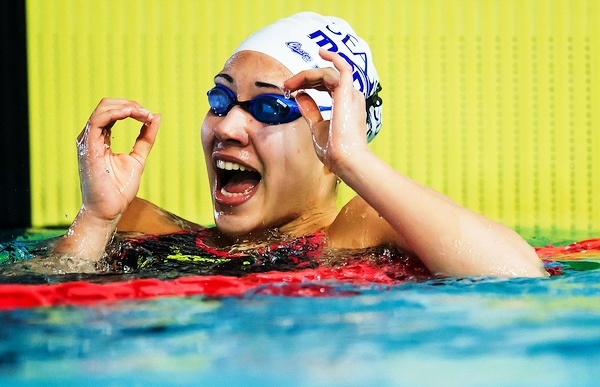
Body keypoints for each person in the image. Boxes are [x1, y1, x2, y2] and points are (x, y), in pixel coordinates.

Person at [53, 12, 548, 278]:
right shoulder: (138, 226)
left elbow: (516, 274)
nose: (226, 126)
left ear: (330, 142)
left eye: (268, 108)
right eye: (220, 98)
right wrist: (95, 220)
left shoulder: (361, 232)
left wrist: (355, 161)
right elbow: (41, 310)